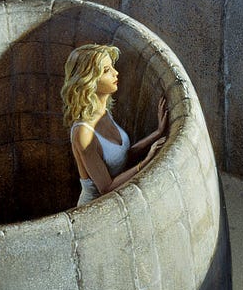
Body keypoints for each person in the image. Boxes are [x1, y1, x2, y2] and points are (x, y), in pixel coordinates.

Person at [61, 43, 168, 205]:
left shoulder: (104, 113)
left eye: (112, 67)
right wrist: (145, 162)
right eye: (106, 70)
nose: (116, 73)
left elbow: (121, 155)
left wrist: (158, 133)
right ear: (89, 81)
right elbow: (106, 187)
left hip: (116, 199)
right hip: (95, 209)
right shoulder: (83, 133)